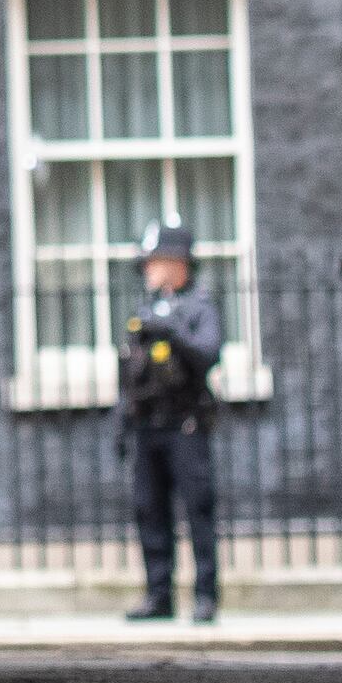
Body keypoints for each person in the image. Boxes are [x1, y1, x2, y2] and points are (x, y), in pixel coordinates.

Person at [116, 221, 223, 625]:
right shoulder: (144, 312)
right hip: (146, 426)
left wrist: (173, 334)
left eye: (154, 261)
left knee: (197, 509)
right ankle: (158, 594)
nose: (147, 269)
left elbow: (208, 355)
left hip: (185, 424)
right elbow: (126, 374)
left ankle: (205, 596)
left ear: (178, 263)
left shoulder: (200, 307)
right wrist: (120, 425)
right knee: (149, 509)